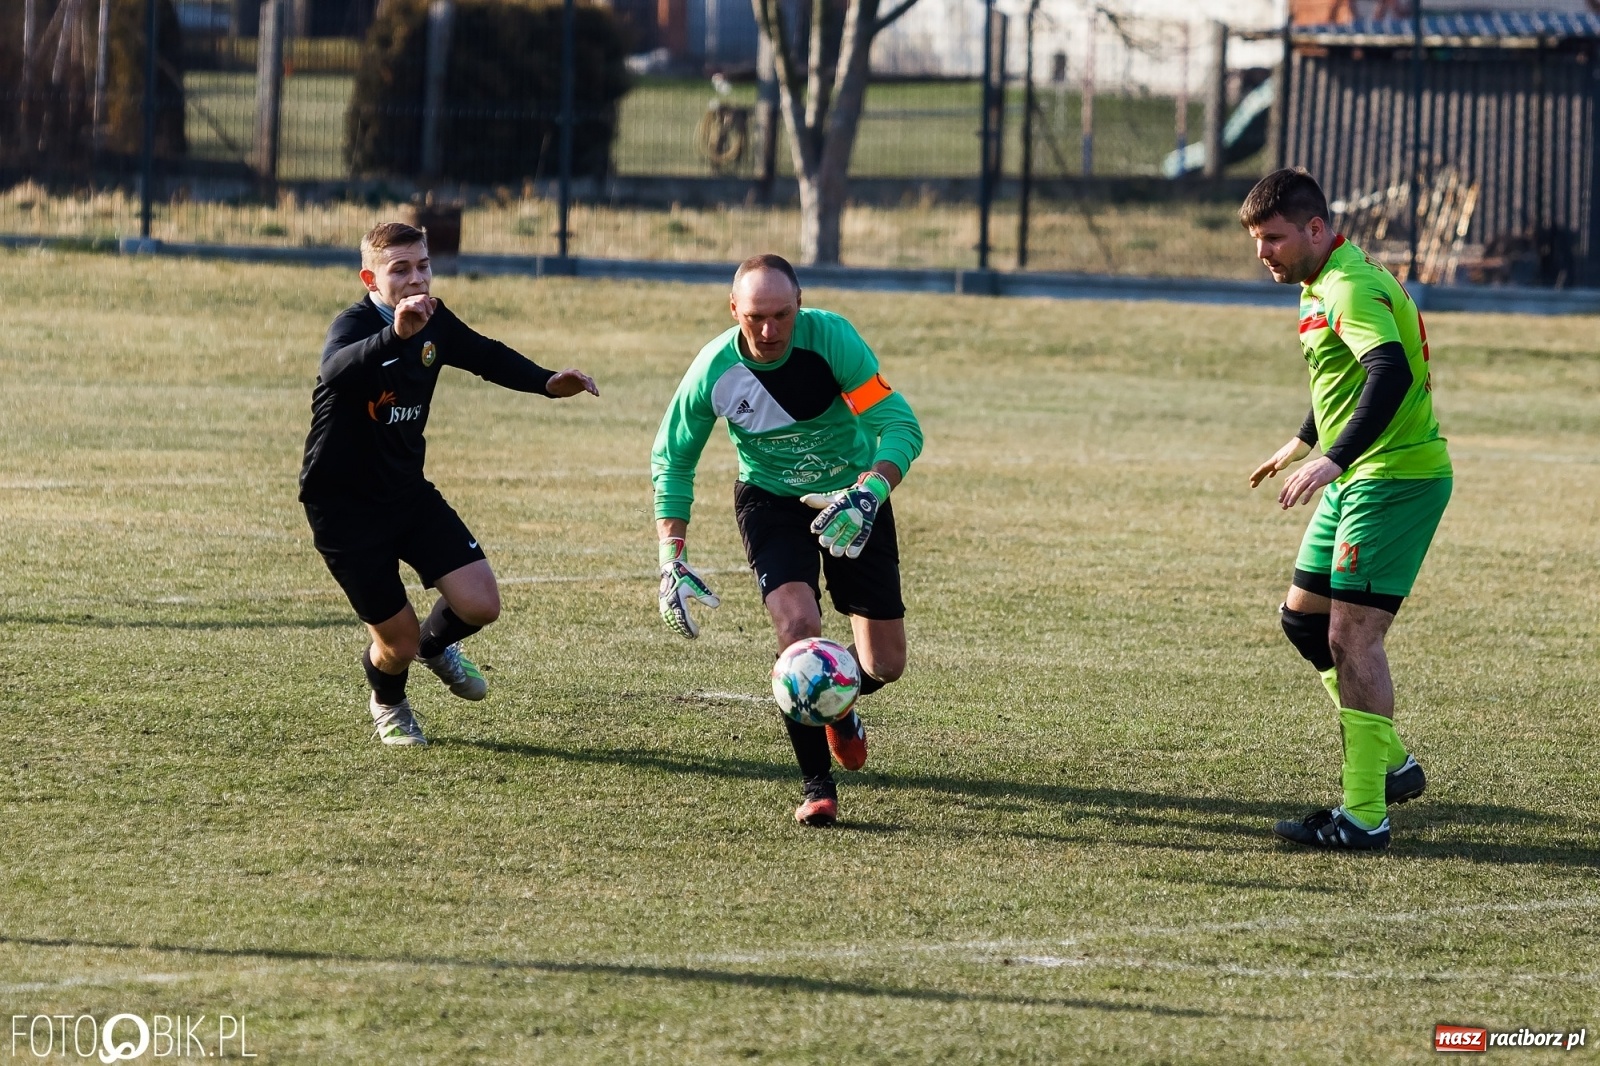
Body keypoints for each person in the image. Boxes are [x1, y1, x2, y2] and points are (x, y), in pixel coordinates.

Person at [651, 253, 924, 826]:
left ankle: (839, 699)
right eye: (755, 318)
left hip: (853, 498)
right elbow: (673, 459)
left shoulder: (833, 340)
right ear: (733, 310)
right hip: (770, 500)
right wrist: (670, 557)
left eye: (782, 315)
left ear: (800, 306)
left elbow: (900, 424)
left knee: (885, 664)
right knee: (797, 630)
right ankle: (816, 785)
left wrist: (871, 492)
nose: (770, 331)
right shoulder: (713, 370)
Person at [299, 221, 598, 745]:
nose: (416, 279)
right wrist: (396, 335)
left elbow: (484, 354)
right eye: (400, 269)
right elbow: (335, 371)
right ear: (371, 278)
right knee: (396, 642)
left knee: (480, 604)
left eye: (423, 265)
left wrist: (547, 382)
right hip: (344, 508)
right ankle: (389, 703)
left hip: (407, 494)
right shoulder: (354, 325)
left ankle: (436, 648)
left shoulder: (436, 319)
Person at [1242, 169, 1453, 851]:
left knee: (1351, 639)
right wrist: (1305, 439)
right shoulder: (1328, 281)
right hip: (1359, 473)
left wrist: (1334, 458)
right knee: (1303, 622)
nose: (1262, 253)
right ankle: (1391, 763)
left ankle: (1365, 815)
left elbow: (1387, 369)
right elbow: (1346, 370)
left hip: (1391, 478)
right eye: (1255, 240)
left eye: (1272, 238)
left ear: (1313, 228)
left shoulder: (1349, 285)